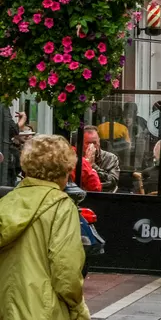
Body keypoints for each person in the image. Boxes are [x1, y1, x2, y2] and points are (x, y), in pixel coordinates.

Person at [0, 134, 91, 320]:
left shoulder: (6, 202)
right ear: (63, 171)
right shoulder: (61, 206)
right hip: (43, 309)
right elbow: (65, 270)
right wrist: (78, 308)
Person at [83, 126, 120, 193]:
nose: (92, 146)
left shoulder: (110, 158)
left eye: (95, 143)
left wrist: (92, 166)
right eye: (88, 143)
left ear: (99, 142)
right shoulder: (75, 157)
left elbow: (112, 182)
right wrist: (85, 163)